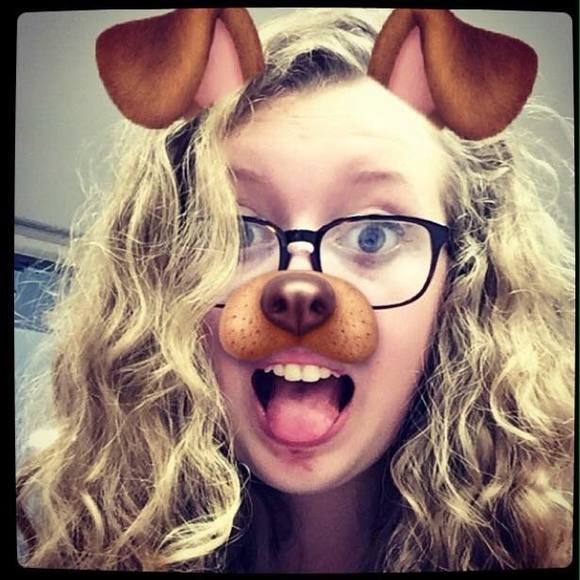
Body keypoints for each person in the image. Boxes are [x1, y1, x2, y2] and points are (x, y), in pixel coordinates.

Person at [16, 8, 574, 572]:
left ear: (464, 277)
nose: (299, 289)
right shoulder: (83, 544)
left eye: (374, 234)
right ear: (161, 275)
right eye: (237, 231)